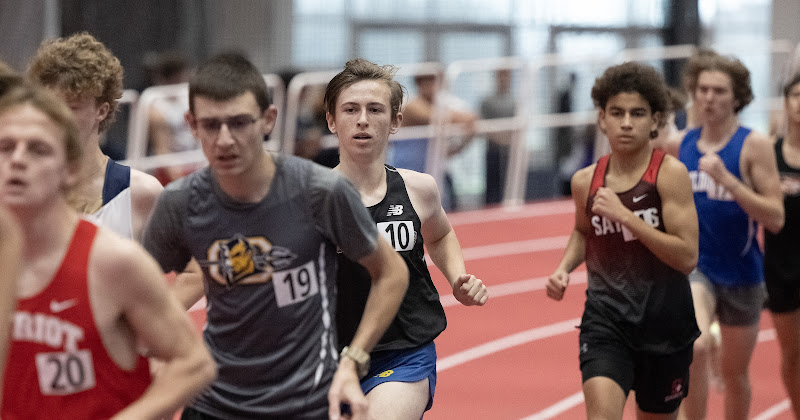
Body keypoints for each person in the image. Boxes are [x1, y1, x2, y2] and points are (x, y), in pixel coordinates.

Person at [141, 52, 409, 419]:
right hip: (212, 403)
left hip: (305, 403)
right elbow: (132, 291)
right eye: (211, 125)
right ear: (191, 124)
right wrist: (161, 348)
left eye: (239, 123)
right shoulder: (180, 202)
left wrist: (353, 360)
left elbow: (391, 273)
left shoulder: (320, 191)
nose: (224, 140)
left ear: (268, 119)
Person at [0, 79, 215, 419]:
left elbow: (194, 363)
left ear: (69, 170)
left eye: (38, 149)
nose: (18, 160)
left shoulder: (113, 260)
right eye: (5, 147)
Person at [325, 58, 489, 419]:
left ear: (396, 121)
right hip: (327, 357)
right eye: (351, 110)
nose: (363, 120)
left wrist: (457, 277)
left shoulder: (419, 189)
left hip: (403, 351)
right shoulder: (311, 200)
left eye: (375, 109)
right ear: (332, 121)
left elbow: (440, 234)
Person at [546, 62, 700, 419]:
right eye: (617, 113)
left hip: (665, 326)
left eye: (637, 113)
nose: (626, 123)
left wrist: (627, 217)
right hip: (606, 321)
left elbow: (687, 257)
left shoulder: (670, 175)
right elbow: (583, 231)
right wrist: (564, 268)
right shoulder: (585, 181)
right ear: (602, 118)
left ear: (655, 120)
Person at [676, 53, 784, 420]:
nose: (709, 98)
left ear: (737, 97)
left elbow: (775, 218)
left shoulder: (754, 145)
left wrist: (729, 181)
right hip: (698, 268)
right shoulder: (682, 144)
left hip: (742, 273)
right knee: (696, 346)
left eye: (719, 91)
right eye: (702, 89)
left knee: (735, 376)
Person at [28, 31, 164, 241]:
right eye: (50, 106)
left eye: (72, 107)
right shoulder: (23, 190)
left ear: (101, 111)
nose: (58, 117)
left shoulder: (142, 193)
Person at [764, 72, 800, 418]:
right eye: (796, 96)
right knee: (792, 356)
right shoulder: (769, 154)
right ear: (786, 102)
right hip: (780, 268)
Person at [395, 73, 477, 210]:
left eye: (435, 83)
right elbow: (435, 117)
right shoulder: (411, 107)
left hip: (433, 171)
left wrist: (455, 149)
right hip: (407, 172)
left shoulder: (440, 107)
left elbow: (470, 119)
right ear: (419, 85)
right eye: (428, 83)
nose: (433, 88)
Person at [479, 68, 516, 205]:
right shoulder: (487, 101)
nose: (504, 79)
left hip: (511, 152)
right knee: (493, 189)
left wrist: (509, 140)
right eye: (501, 76)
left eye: (507, 76)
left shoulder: (515, 102)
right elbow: (482, 125)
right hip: (493, 151)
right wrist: (499, 139)